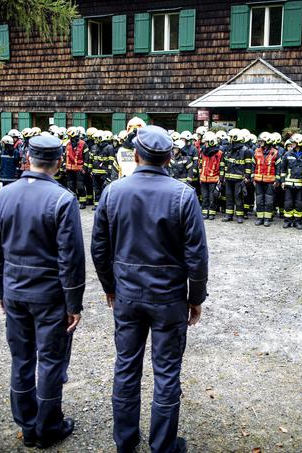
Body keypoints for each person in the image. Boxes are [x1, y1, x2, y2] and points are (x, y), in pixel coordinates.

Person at [91, 125, 208, 453]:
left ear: (137, 155)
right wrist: (195, 298)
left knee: (127, 366)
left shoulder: (113, 192)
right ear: (169, 158)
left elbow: (99, 247)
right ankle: (162, 446)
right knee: (167, 371)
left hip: (127, 296)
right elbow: (197, 257)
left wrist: (109, 286)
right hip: (169, 299)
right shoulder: (183, 194)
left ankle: (126, 443)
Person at [0, 135, 84, 449]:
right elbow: (71, 257)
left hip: (15, 291)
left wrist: (1, 289)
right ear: (59, 162)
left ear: (27, 158)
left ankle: (29, 426)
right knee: (52, 361)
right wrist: (74, 302)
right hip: (49, 295)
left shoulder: (4, 195)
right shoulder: (62, 199)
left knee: (22, 359)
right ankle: (48, 427)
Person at [279, 134, 302, 230]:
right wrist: (283, 181)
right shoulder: (287, 154)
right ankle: (287, 221)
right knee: (288, 203)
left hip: (300, 185)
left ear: (299, 144)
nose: (292, 144)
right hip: (289, 184)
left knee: (299, 204)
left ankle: (298, 222)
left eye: (293, 143)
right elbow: (283, 170)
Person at [221, 129, 251, 223]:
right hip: (229, 178)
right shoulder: (228, 149)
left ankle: (239, 216)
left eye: (231, 137)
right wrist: (222, 177)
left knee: (238, 197)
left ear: (235, 138)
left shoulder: (246, 151)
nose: (229, 139)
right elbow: (224, 163)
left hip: (239, 179)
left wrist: (247, 177)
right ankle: (229, 215)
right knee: (229, 197)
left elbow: (248, 165)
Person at [252, 131, 279, 226]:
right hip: (259, 180)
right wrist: (253, 177)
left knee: (269, 200)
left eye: (262, 141)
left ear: (267, 141)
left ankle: (267, 218)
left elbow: (278, 167)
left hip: (270, 181)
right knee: (259, 199)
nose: (260, 142)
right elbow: (253, 165)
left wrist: (277, 179)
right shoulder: (256, 151)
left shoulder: (275, 152)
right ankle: (260, 218)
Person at [199, 131, 224, 220]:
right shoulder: (203, 152)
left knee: (212, 197)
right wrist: (200, 175)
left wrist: (220, 179)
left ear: (211, 142)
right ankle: (205, 212)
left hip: (213, 179)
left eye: (206, 142)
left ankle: (212, 213)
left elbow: (221, 167)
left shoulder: (219, 153)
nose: (205, 144)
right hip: (203, 178)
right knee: (205, 197)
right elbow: (201, 165)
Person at [64, 127, 89, 208]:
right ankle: (73, 202)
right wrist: (64, 166)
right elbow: (65, 156)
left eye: (70, 136)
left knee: (80, 186)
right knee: (70, 186)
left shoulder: (83, 144)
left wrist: (85, 168)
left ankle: (82, 202)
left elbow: (87, 157)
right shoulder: (68, 144)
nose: (69, 138)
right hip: (69, 169)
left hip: (79, 169)